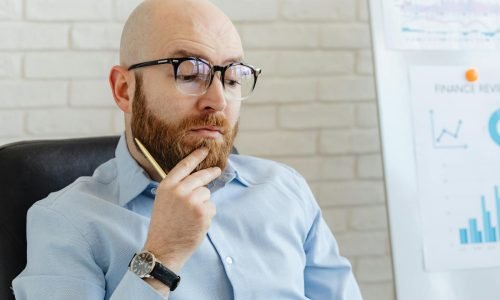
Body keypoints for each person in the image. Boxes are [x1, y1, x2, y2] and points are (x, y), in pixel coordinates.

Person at [12, 0, 363, 299]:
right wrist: (162, 253)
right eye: (189, 72)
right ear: (123, 90)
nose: (218, 100)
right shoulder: (66, 222)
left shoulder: (285, 189)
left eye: (232, 77)